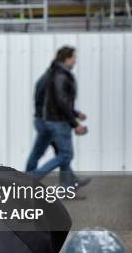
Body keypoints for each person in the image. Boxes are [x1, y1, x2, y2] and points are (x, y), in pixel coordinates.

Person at [29, 46, 88, 188]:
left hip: (48, 120)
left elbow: (59, 101)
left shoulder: (53, 74)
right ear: (67, 58)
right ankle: (30, 178)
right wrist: (75, 123)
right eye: (74, 58)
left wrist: (75, 113)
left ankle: (69, 185)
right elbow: (60, 101)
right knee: (65, 154)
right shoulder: (58, 75)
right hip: (54, 121)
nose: (75, 61)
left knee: (53, 153)